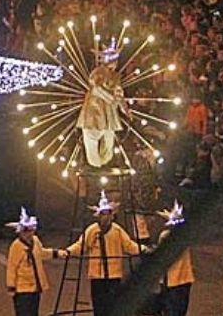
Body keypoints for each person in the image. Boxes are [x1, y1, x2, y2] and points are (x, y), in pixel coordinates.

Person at [66, 191, 145, 316]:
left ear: (112, 215)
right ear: (99, 215)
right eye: (103, 214)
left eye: (108, 214)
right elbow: (81, 246)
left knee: (112, 304)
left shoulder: (117, 230)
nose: (106, 217)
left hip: (113, 275)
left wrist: (144, 250)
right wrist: (67, 252)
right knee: (99, 304)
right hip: (97, 275)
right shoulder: (92, 230)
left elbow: (129, 246)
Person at [77, 39, 129, 167]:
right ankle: (95, 164)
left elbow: (119, 94)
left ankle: (104, 163)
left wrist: (124, 108)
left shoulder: (116, 76)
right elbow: (96, 88)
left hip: (108, 113)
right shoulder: (97, 73)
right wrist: (111, 98)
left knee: (109, 139)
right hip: (95, 110)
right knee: (92, 137)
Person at [6, 207, 65, 316]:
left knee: (33, 312)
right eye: (26, 231)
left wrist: (57, 253)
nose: (29, 233)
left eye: (31, 230)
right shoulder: (16, 246)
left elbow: (41, 253)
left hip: (35, 288)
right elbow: (12, 267)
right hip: (22, 289)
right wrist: (11, 286)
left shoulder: (36, 241)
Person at [158, 201, 194, 316]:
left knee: (172, 310)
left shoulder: (166, 236)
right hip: (181, 280)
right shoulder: (184, 235)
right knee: (178, 310)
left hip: (173, 281)